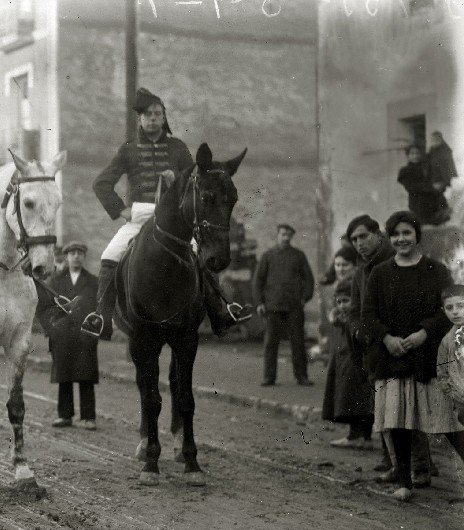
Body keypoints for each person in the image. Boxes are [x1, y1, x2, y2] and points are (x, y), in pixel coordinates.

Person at [84, 87, 250, 340]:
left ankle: (219, 313)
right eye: (148, 114)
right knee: (110, 256)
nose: (152, 118)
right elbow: (101, 183)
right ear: (140, 118)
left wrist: (176, 179)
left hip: (173, 220)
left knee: (199, 254)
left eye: (157, 114)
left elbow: (196, 180)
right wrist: (122, 210)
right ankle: (102, 318)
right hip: (139, 217)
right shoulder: (129, 149)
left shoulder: (178, 147)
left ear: (164, 118)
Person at [362, 211, 453, 502]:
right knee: (398, 420)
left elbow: (449, 310)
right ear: (389, 238)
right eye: (395, 234)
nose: (401, 239)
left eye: (407, 233)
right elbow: (368, 315)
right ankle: (404, 482)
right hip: (393, 359)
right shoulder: (380, 273)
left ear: (417, 236)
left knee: (448, 421)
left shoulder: (436, 270)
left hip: (427, 358)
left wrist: (424, 333)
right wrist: (387, 338)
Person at [44, 242, 99, 429]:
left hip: (85, 336)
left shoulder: (93, 281)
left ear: (84, 257)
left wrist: (94, 332)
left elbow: (98, 309)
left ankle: (88, 417)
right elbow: (46, 306)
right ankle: (64, 415)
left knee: (86, 375)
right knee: (64, 374)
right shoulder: (56, 280)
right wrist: (53, 328)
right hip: (63, 335)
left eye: (79, 253)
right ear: (66, 257)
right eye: (72, 253)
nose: (76, 256)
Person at [253, 223, 315, 386]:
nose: (286, 238)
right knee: (271, 342)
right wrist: (260, 302)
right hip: (273, 306)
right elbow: (258, 281)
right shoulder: (267, 256)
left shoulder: (299, 256)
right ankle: (269, 377)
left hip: (294, 306)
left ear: (292, 237)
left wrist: (305, 298)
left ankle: (301, 376)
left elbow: (309, 279)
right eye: (283, 234)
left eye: (289, 235)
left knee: (298, 342)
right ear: (277, 235)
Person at [323, 278, 375, 449]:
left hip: (355, 361)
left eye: (346, 301)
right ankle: (361, 436)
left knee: (356, 396)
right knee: (354, 396)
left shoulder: (357, 317)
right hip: (347, 360)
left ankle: (359, 435)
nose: (342, 306)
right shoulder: (342, 318)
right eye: (339, 302)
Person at [434, 286, 464, 475]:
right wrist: (454, 393)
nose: (455, 312)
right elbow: (442, 373)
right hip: (461, 400)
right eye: (449, 308)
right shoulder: (447, 341)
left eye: (460, 306)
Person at [397, 143, 448, 226]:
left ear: (420, 154)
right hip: (418, 204)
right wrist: (432, 187)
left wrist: (440, 185)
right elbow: (411, 188)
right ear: (408, 156)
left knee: (437, 227)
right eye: (412, 154)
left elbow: (437, 181)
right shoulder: (405, 171)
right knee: (421, 227)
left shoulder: (427, 168)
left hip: (432, 203)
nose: (415, 156)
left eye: (417, 153)